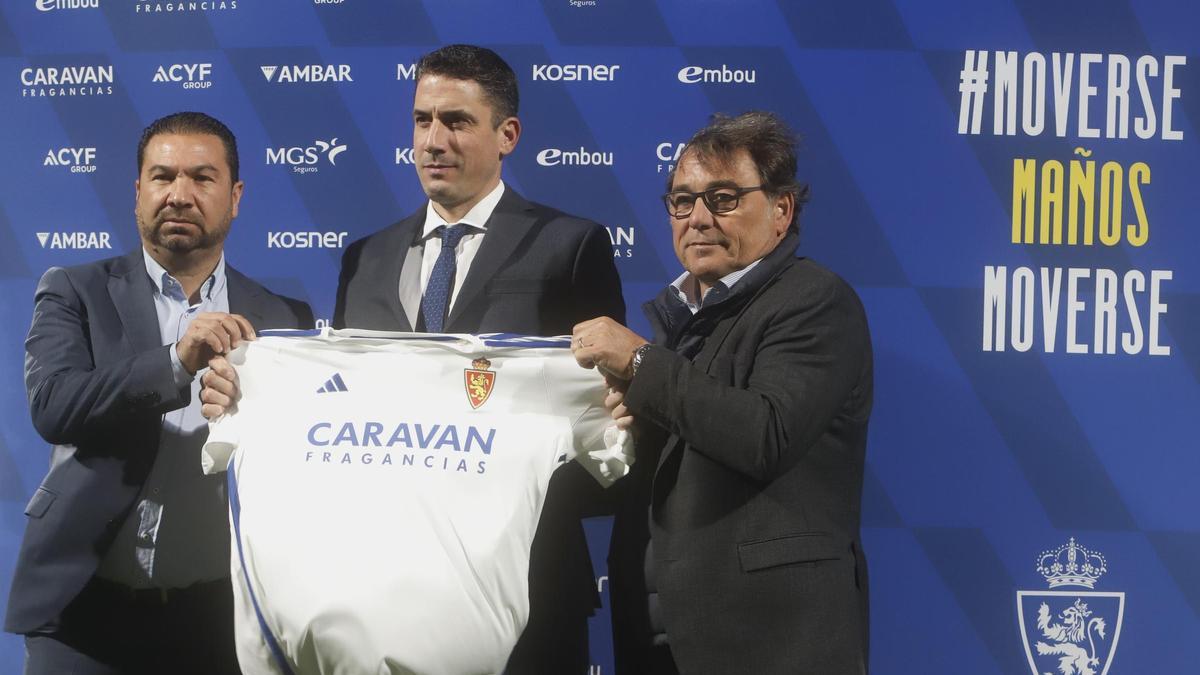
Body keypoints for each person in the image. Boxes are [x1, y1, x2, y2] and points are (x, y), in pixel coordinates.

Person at [202, 44, 625, 674]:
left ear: (507, 134)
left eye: (456, 121)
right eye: (422, 119)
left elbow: (597, 417)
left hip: (525, 585)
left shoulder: (570, 246)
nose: (433, 140)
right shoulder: (365, 257)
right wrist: (250, 405)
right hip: (381, 592)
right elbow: (338, 404)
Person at [4, 111, 314, 674]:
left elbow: (299, 458)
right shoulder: (75, 289)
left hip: (218, 618)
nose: (179, 194)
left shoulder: (283, 317)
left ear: (236, 195)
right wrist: (175, 362)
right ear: (137, 191)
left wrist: (253, 417)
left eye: (202, 177)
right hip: (82, 614)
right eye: (162, 176)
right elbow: (54, 405)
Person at [572, 111, 873, 675]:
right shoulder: (679, 322)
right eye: (682, 201)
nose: (699, 218)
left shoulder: (815, 301)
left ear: (781, 210)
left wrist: (641, 364)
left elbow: (765, 433)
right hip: (662, 643)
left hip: (770, 646)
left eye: (725, 198)